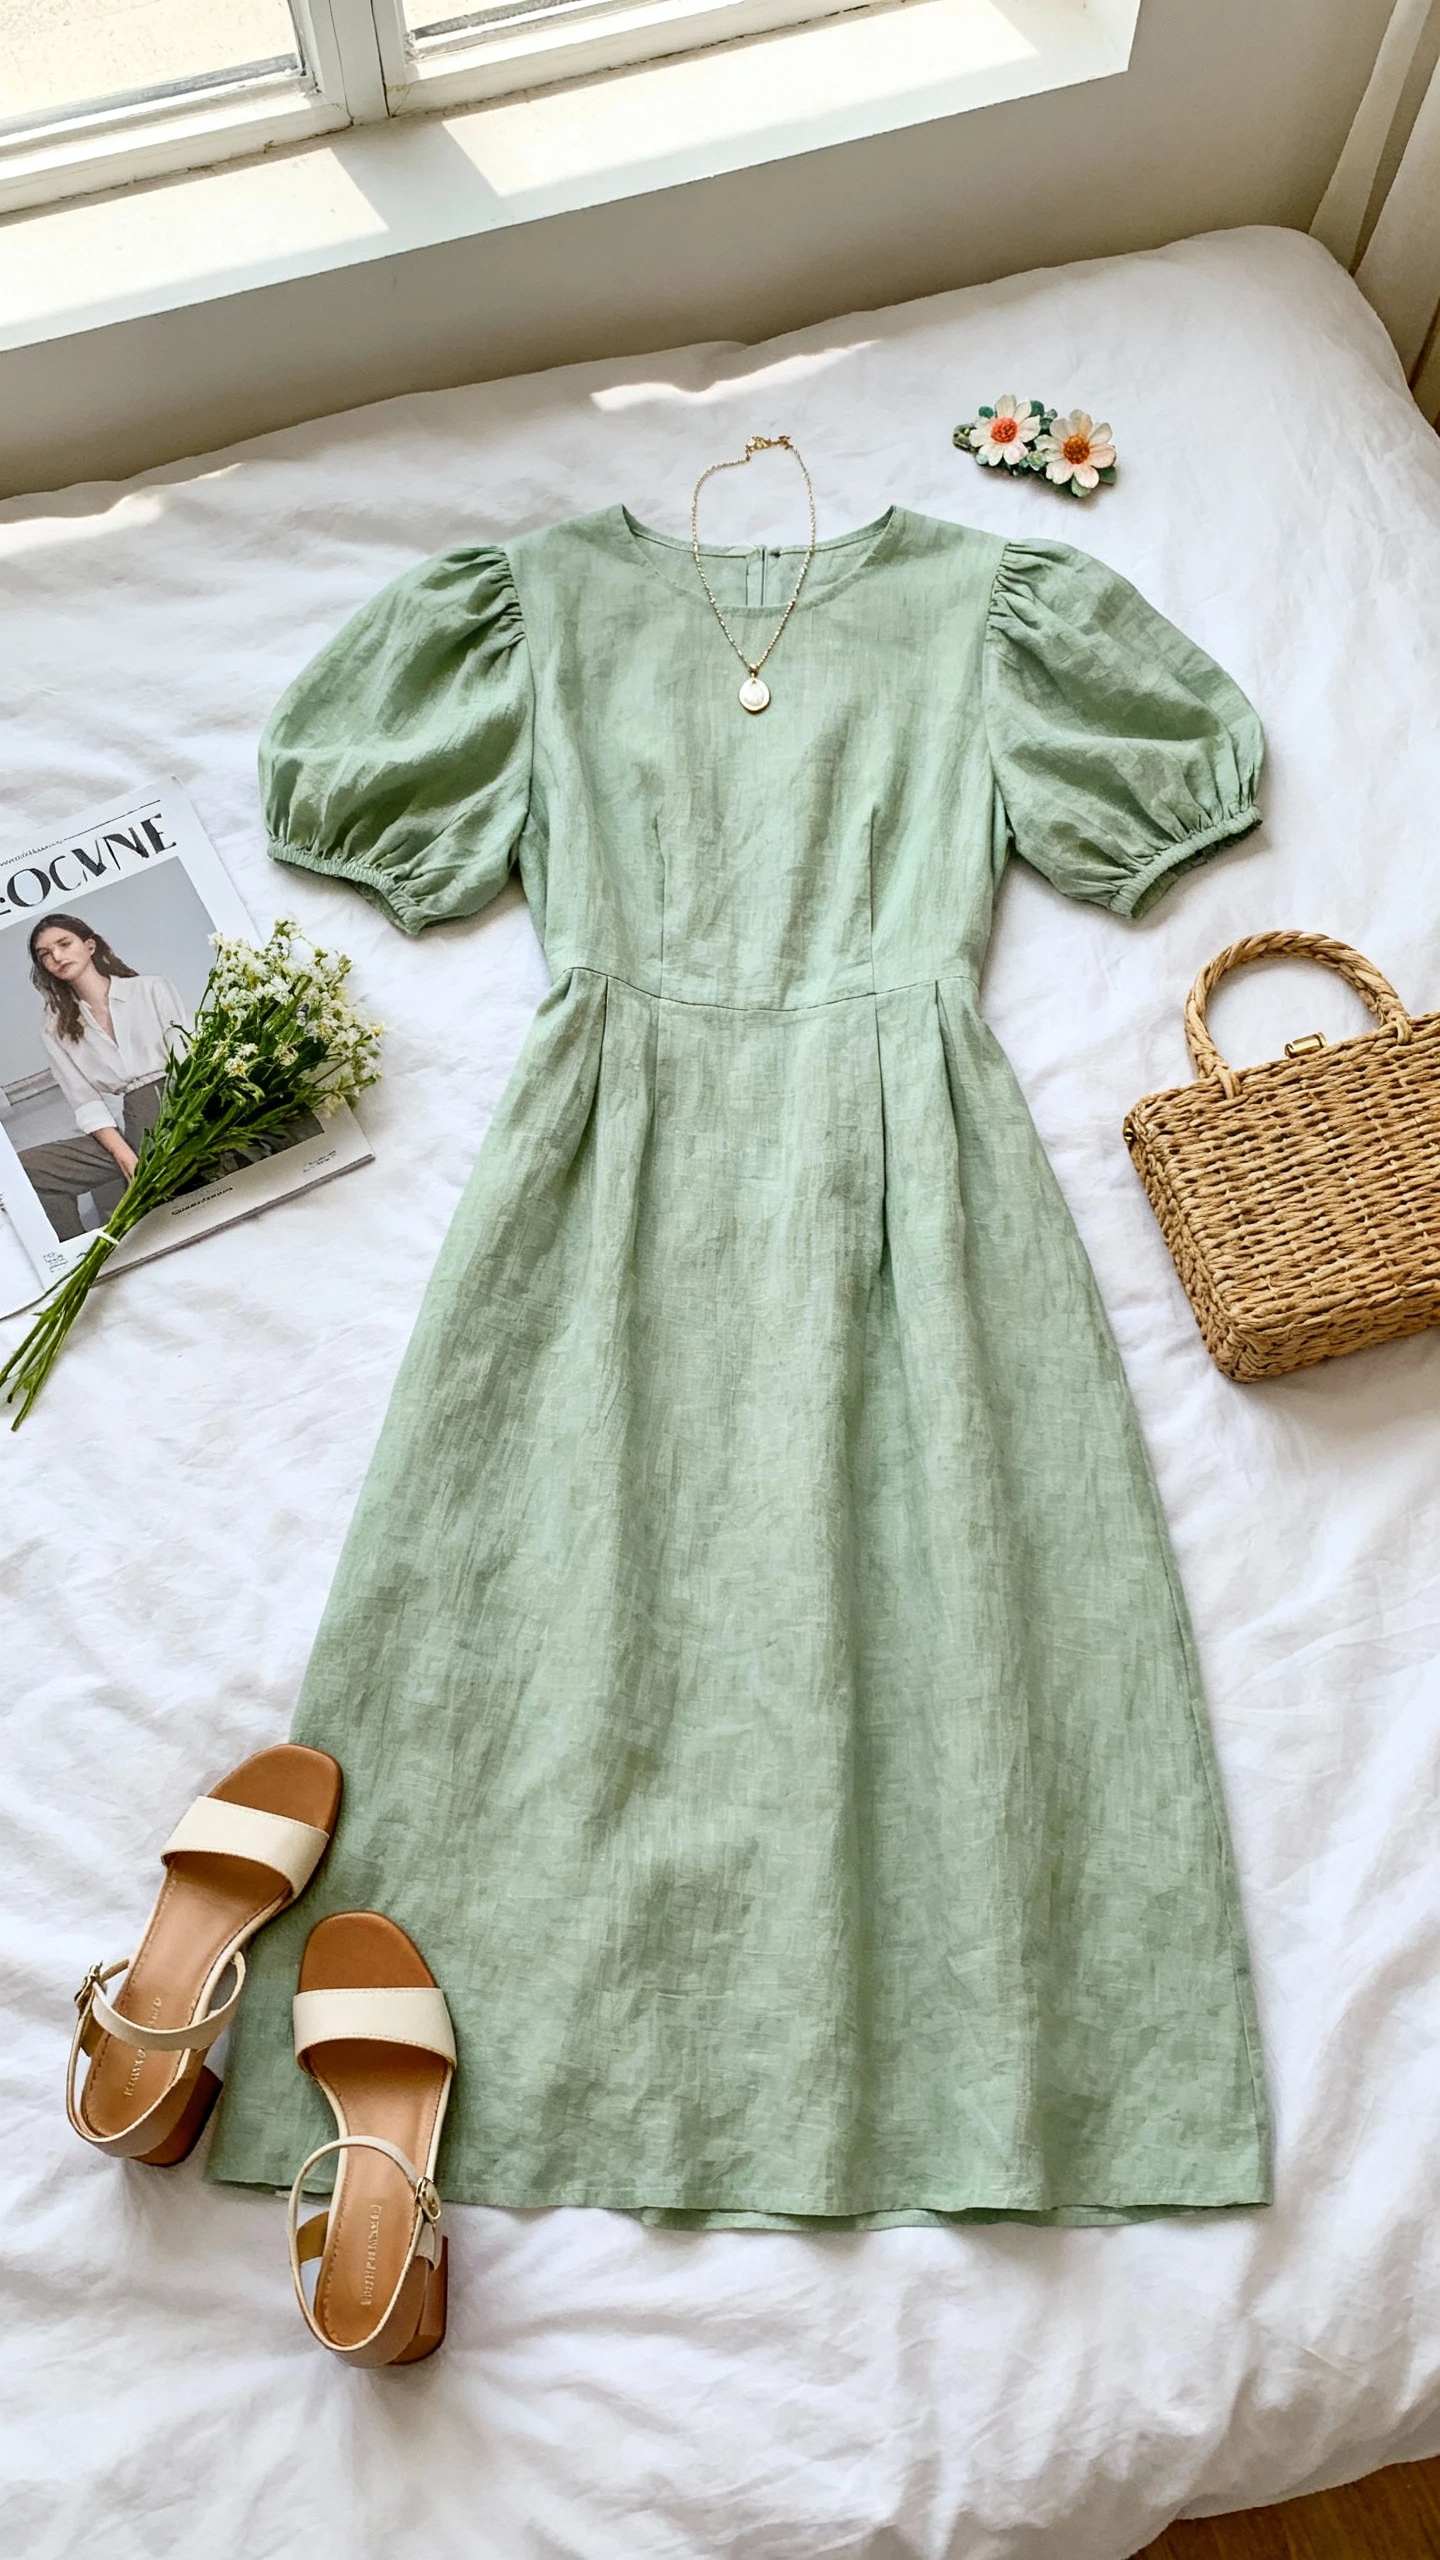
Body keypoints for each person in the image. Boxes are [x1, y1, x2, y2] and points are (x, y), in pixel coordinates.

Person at [18, 913, 190, 1242]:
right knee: (26, 1168)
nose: (56, 957)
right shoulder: (54, 1028)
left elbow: (186, 1064)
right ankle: (77, 1251)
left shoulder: (150, 989)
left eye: (64, 944)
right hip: (118, 1129)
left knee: (145, 1107)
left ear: (90, 944)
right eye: (45, 955)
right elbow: (86, 1103)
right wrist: (125, 1156)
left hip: (173, 1106)